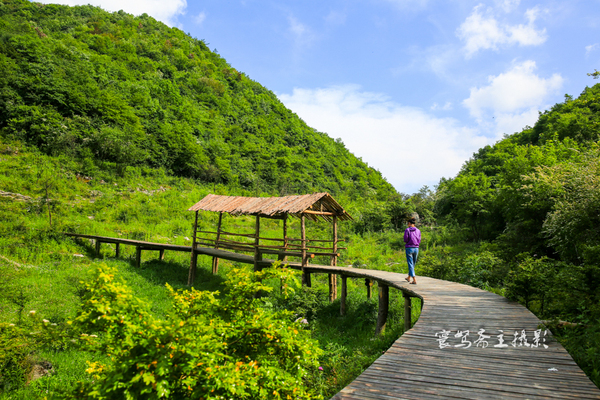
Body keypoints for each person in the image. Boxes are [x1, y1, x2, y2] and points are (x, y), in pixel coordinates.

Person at [403, 217, 421, 284]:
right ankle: (409, 277)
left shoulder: (407, 230)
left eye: (408, 223)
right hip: (416, 248)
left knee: (410, 264)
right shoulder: (418, 230)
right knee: (413, 264)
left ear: (410, 223)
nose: (407, 225)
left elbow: (405, 239)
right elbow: (419, 240)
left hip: (409, 248)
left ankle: (414, 279)